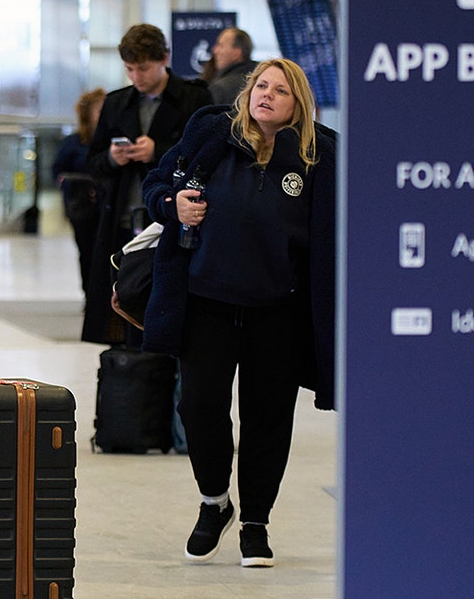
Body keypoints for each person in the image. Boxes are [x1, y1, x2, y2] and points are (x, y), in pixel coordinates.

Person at [140, 58, 336, 568]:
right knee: (199, 407)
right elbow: (156, 186)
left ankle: (256, 523)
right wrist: (172, 205)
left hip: (279, 311)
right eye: (261, 86)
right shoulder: (210, 131)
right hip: (206, 302)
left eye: (280, 91)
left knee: (268, 421)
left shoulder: (320, 155)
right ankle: (214, 502)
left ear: (298, 106)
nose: (266, 95)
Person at [80, 23, 212, 346]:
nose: (136, 77)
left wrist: (160, 152)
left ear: (165, 58)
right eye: (129, 69)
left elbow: (208, 157)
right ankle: (131, 386)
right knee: (121, 313)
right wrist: (113, 158)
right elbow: (93, 163)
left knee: (169, 320)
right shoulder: (116, 103)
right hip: (122, 221)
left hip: (171, 224)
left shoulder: (193, 98)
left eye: (144, 68)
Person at [51, 87, 106, 296]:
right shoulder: (73, 143)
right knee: (87, 251)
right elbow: (57, 172)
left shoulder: (113, 142)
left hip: (108, 204)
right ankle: (90, 293)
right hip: (82, 206)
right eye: (99, 110)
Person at [208, 27, 257, 106]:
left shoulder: (220, 89)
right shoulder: (260, 80)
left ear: (236, 53)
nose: (215, 51)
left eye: (220, 45)